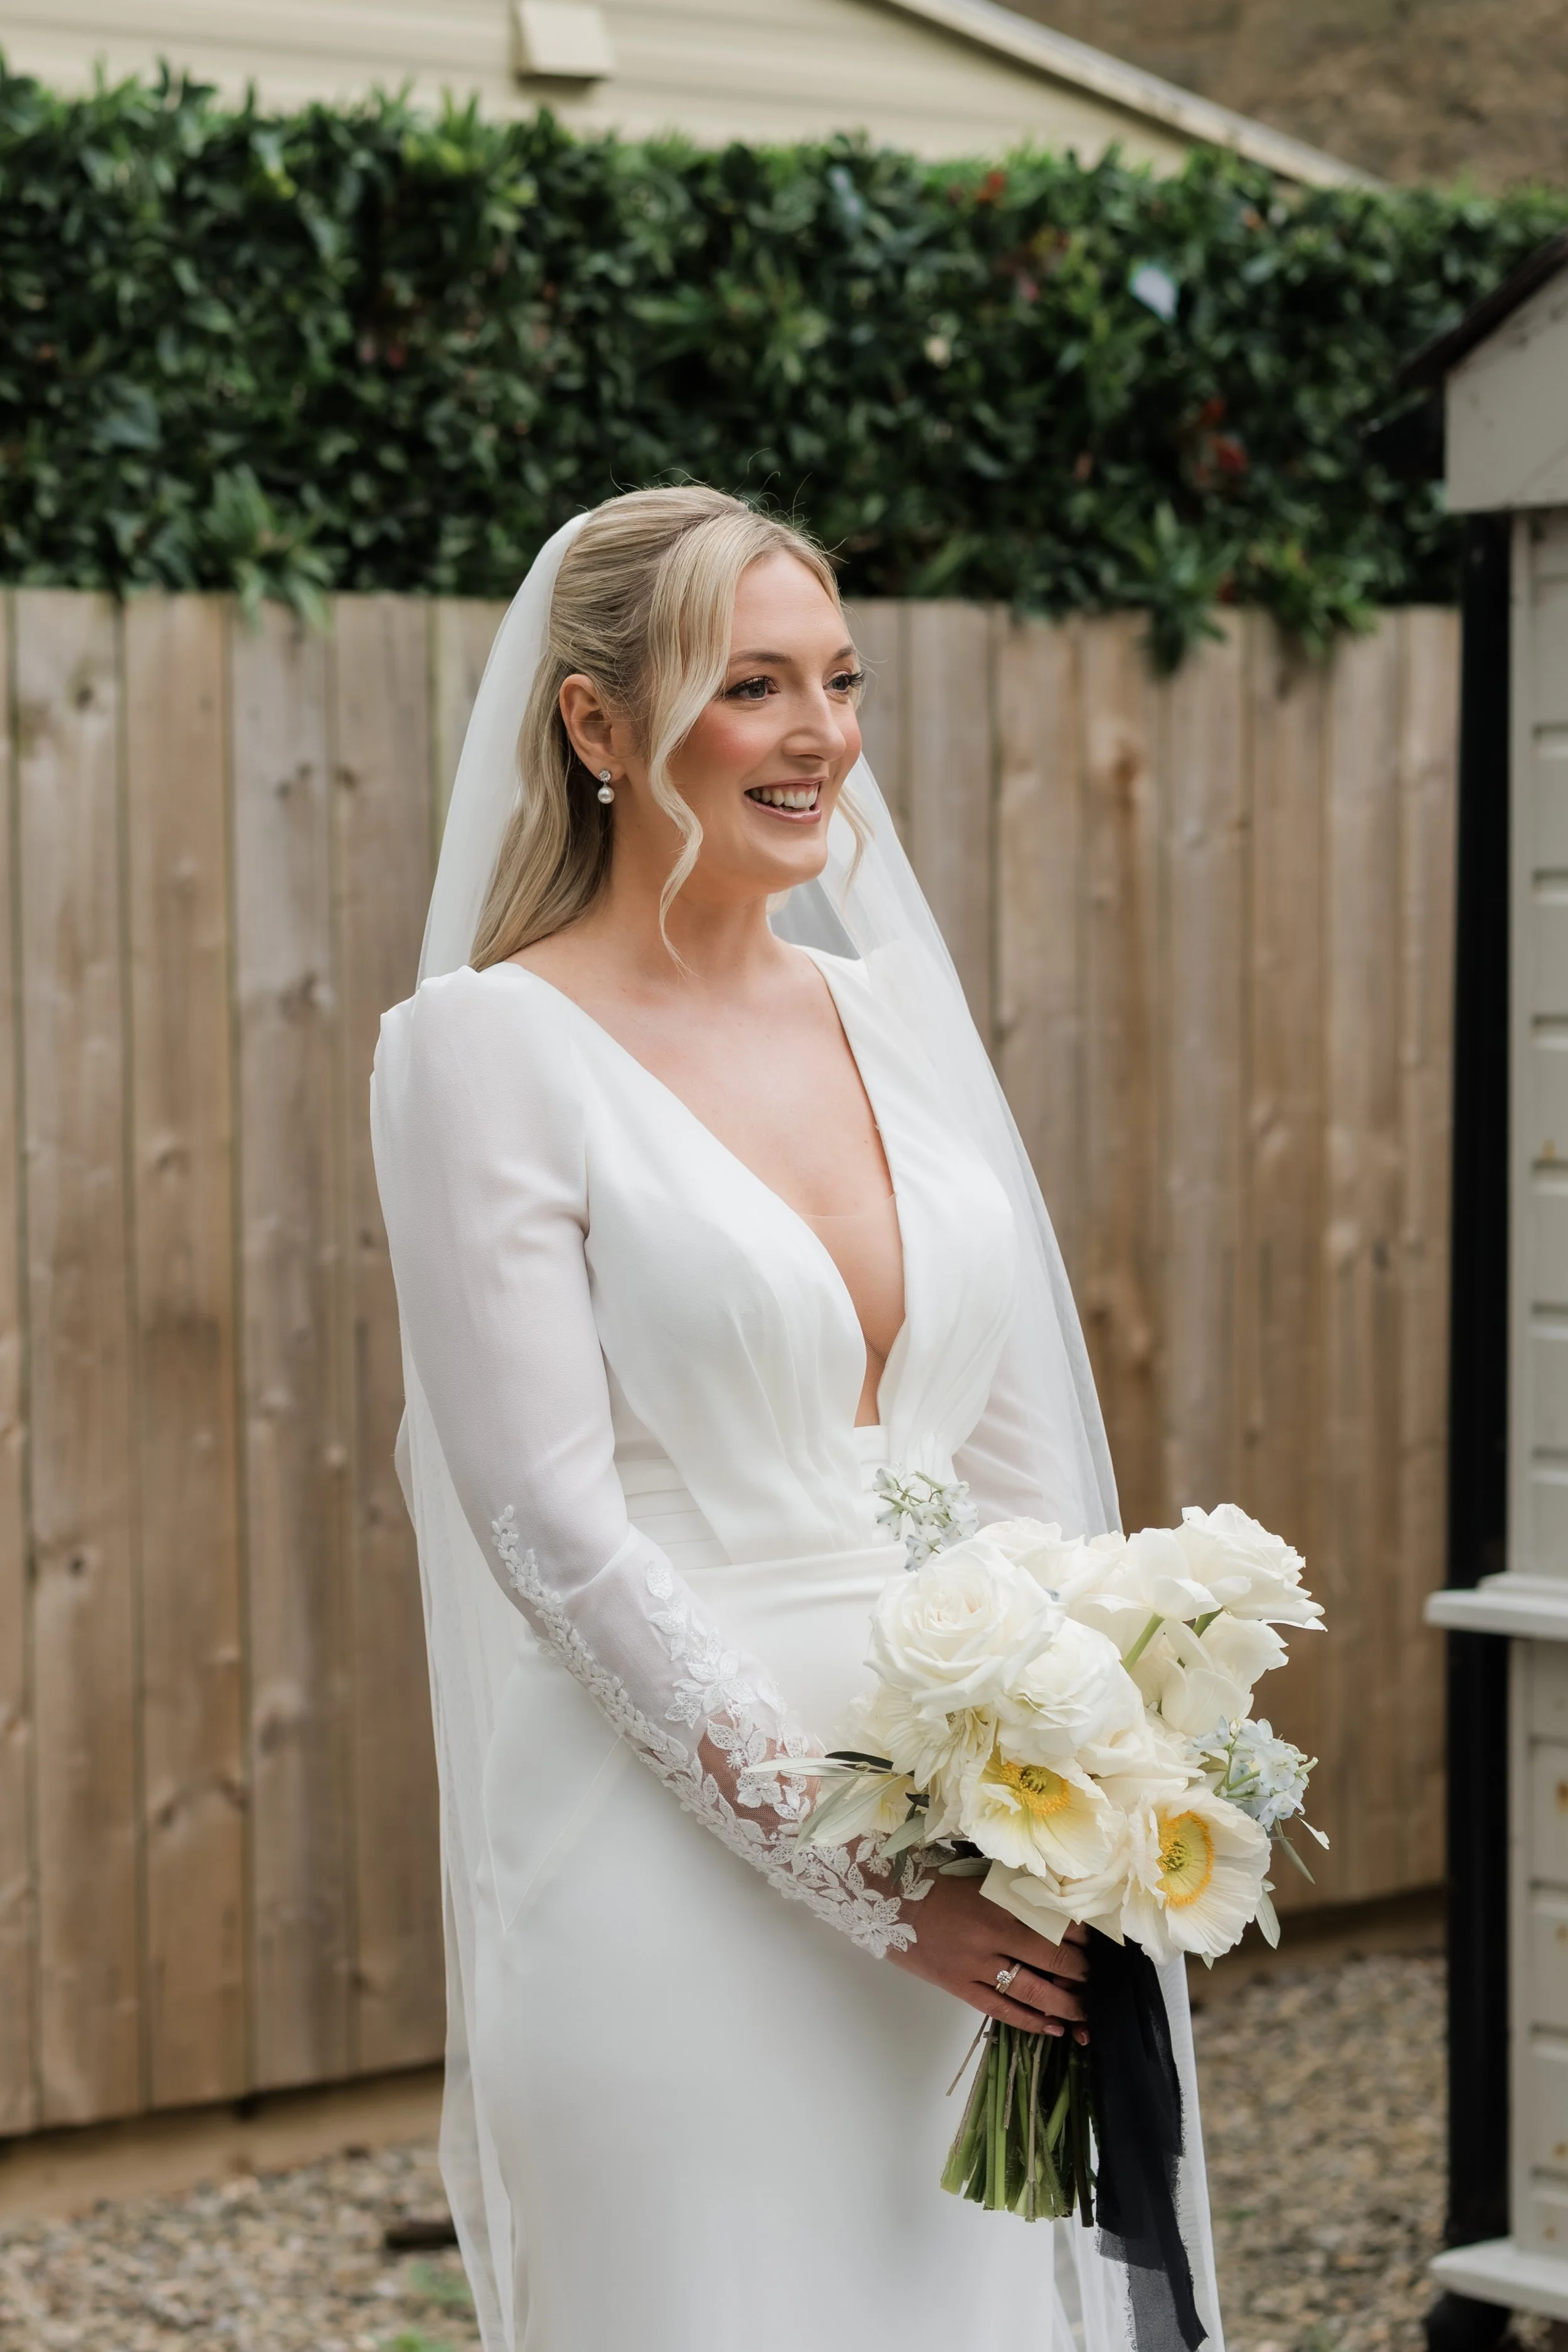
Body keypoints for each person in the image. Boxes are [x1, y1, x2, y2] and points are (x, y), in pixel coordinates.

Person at [371, 486, 1221, 2352]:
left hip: (989, 1848)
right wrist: (873, 1881)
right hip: (669, 1869)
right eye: (749, 685)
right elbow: (547, 1524)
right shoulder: (481, 1048)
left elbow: (1007, 1466)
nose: (820, 732)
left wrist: (1101, 1774)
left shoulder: (892, 1015)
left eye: (836, 678)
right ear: (599, 726)